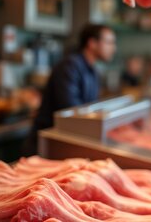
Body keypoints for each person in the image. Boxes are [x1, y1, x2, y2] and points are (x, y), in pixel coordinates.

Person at [25, 24, 116, 154]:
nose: (113, 48)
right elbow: (71, 111)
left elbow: (90, 109)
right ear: (92, 43)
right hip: (47, 146)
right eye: (109, 42)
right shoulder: (69, 66)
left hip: (68, 143)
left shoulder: (93, 71)